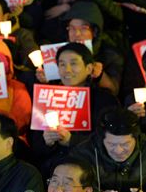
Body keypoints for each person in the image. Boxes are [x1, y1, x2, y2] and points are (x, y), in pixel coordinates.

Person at [32, 42, 120, 174]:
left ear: (89, 68)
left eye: (73, 63)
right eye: (62, 64)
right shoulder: (47, 98)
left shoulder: (105, 100)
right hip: (52, 170)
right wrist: (47, 142)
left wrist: (71, 141)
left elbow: (111, 141)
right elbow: (35, 146)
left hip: (92, 169)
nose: (67, 70)